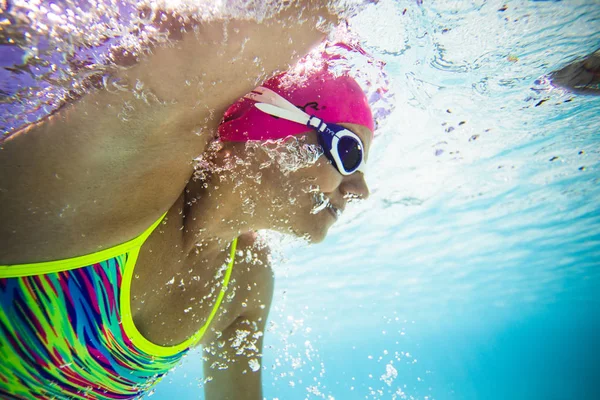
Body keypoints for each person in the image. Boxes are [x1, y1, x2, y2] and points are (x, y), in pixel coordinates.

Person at [0, 3, 378, 399]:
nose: (360, 190)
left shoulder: (245, 280)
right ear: (267, 127)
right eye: (349, 155)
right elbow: (182, 73)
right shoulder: (117, 181)